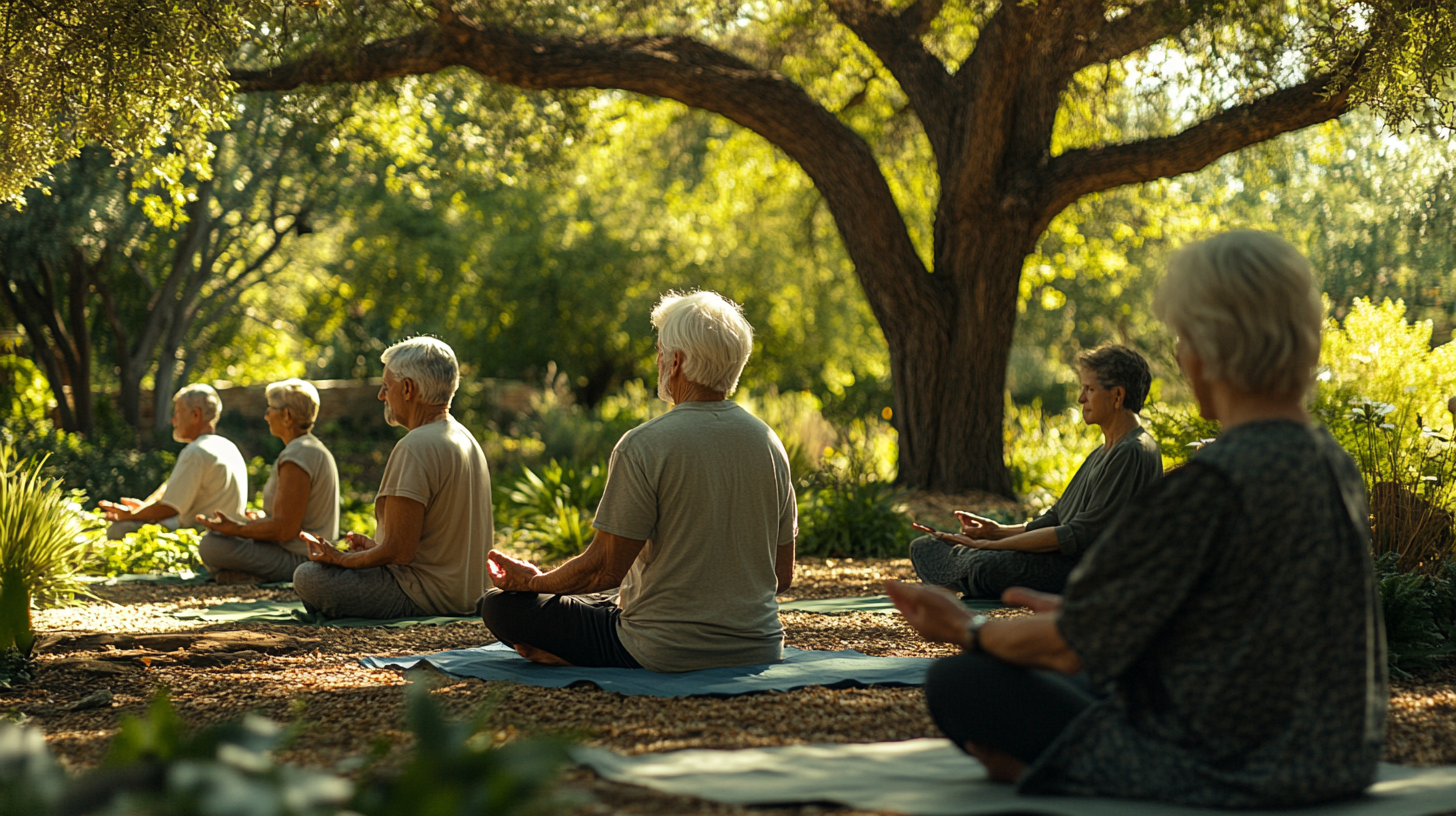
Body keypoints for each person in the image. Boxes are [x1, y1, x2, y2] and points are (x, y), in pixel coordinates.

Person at [889, 229, 1387, 808]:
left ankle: (1051, 769)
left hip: (1239, 762)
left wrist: (966, 631)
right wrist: (1096, 611)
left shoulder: (1214, 482)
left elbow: (1071, 650)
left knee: (962, 683)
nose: (1179, 354)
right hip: (1340, 754)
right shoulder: (1333, 464)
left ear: (1207, 346)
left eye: (1181, 337)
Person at [480, 290, 797, 672]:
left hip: (659, 650)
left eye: (661, 351)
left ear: (676, 362)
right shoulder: (768, 442)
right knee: (603, 600)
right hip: (758, 648)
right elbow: (781, 577)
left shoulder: (645, 443)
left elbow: (604, 570)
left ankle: (566, 654)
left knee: (499, 606)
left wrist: (533, 584)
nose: (658, 360)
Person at [910, 345, 1162, 598]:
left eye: (1090, 389)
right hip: (1061, 560)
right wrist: (996, 533)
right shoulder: (1102, 452)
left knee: (986, 565)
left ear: (1118, 396)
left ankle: (966, 575)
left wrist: (989, 546)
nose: (1081, 399)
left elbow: (1078, 535)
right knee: (925, 546)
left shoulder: (1132, 451)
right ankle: (966, 575)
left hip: (1089, 572)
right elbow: (1056, 517)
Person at [294, 337, 492, 619]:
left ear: (408, 388)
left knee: (307, 576)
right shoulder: (466, 439)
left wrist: (341, 559)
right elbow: (424, 546)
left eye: (387, 387)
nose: (381, 396)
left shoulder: (416, 445)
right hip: (467, 596)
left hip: (423, 597)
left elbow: (399, 553)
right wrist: (371, 552)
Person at [194, 379, 340, 584]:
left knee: (211, 545)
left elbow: (284, 530)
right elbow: (289, 518)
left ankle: (256, 577)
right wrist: (258, 520)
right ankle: (250, 576)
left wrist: (236, 529)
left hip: (303, 559)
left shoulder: (299, 454)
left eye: (270, 408)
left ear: (287, 415)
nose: (266, 415)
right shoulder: (309, 448)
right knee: (215, 541)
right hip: (300, 554)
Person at [100, 384, 247, 541]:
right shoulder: (227, 446)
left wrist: (131, 515)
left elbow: (169, 508)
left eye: (177, 413)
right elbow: (171, 488)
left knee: (118, 529)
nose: (173, 420)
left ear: (196, 415)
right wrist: (144, 508)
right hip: (227, 535)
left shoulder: (196, 452)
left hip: (205, 537)